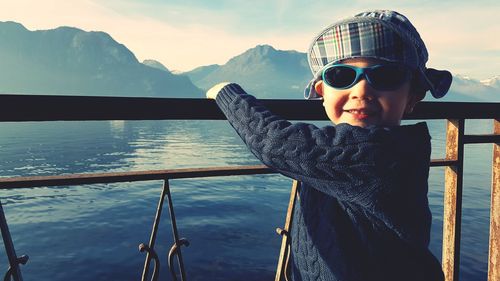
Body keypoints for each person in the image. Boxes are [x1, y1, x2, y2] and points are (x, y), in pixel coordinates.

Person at [206, 10, 452, 281]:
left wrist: (227, 94)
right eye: (340, 76)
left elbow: (275, 143)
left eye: (386, 76)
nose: (361, 90)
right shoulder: (361, 149)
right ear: (322, 93)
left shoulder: (382, 155)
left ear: (412, 96)